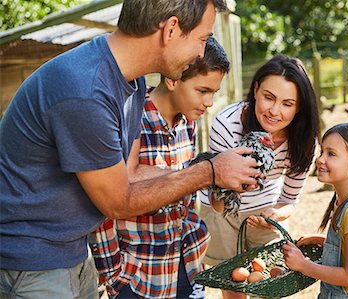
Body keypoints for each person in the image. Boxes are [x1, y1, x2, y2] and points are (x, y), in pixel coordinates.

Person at [0, 1, 262, 298]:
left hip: (72, 251)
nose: (202, 53)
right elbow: (118, 201)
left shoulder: (130, 80)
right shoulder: (86, 91)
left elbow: (130, 172)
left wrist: (210, 172)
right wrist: (209, 172)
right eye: (202, 39)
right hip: (32, 263)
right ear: (171, 29)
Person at [91, 36, 230, 299]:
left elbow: (186, 187)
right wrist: (115, 278)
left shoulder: (189, 122)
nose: (209, 102)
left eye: (214, 92)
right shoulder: (131, 119)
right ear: (173, 79)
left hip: (187, 265)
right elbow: (104, 205)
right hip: (139, 277)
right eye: (203, 91)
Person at [199, 55, 320, 299]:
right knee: (233, 281)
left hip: (266, 208)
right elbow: (218, 201)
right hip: (223, 211)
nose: (275, 111)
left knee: (269, 280)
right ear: (256, 90)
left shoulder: (304, 142)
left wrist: (275, 214)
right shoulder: (227, 125)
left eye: (288, 104)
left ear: (299, 107)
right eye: (269, 97)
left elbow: (289, 200)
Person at [282, 123, 348, 299]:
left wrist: (303, 265)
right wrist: (322, 241)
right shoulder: (342, 201)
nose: (320, 159)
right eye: (322, 152)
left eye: (331, 154)